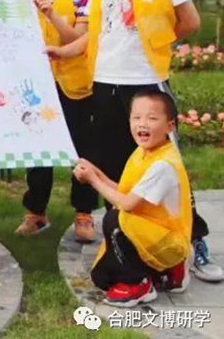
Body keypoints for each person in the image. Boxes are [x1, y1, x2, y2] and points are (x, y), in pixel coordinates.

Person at [48, 0, 223, 283]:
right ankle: (128, 246)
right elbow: (94, 35)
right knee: (116, 168)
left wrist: (154, 46)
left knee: (168, 169)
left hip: (145, 82)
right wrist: (63, 52)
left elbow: (190, 21)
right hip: (105, 84)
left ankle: (194, 244)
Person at [14, 0, 98, 242]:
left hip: (75, 85)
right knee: (38, 150)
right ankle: (36, 212)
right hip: (36, 86)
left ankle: (84, 212)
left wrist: (51, 13)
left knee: (82, 149)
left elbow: (79, 38)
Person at [76, 91, 191, 307]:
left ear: (170, 126)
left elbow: (127, 204)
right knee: (102, 278)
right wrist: (95, 172)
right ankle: (165, 271)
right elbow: (125, 192)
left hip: (169, 241)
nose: (142, 124)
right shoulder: (143, 152)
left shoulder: (163, 164)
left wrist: (93, 180)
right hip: (147, 231)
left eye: (152, 118)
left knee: (114, 220)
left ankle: (139, 283)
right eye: (136, 117)